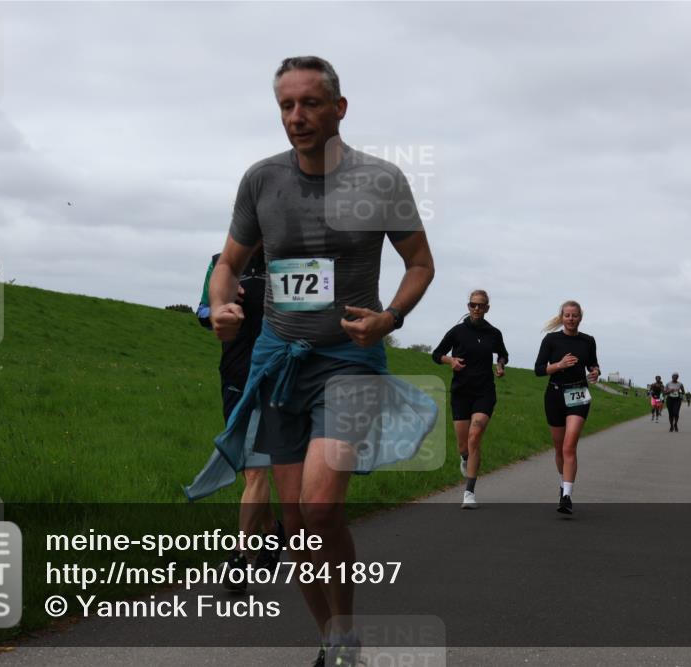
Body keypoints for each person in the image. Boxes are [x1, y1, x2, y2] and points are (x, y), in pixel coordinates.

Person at [189, 56, 436, 667]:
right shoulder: (260, 180)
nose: (296, 117)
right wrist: (221, 305)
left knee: (322, 507)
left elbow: (421, 262)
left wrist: (391, 317)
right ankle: (335, 638)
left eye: (310, 103)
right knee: (299, 522)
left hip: (348, 359)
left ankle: (346, 628)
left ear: (339, 108)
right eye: (286, 106)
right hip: (278, 359)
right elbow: (227, 262)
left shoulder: (379, 179)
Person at [197, 248, 285, 591]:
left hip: (276, 378)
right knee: (250, 468)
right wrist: (220, 306)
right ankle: (273, 532)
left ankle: (240, 557)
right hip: (234, 377)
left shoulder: (290, 261)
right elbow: (203, 312)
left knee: (255, 469)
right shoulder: (222, 262)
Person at [431, 289, 508, 509]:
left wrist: (500, 365)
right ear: (468, 306)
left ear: (487, 308)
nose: (476, 308)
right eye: (473, 304)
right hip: (461, 392)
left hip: (484, 391)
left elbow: (503, 353)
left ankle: (469, 492)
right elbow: (436, 354)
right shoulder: (457, 331)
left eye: (481, 305)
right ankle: (464, 457)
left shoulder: (494, 333)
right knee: (463, 445)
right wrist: (450, 361)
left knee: (475, 436)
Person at [534, 300, 600, 515]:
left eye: (575, 315)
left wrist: (595, 372)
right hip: (554, 394)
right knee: (559, 447)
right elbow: (538, 370)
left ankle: (567, 496)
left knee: (569, 446)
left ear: (581, 317)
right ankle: (564, 483)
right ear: (562, 317)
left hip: (578, 394)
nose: (571, 319)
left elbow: (593, 364)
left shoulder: (588, 341)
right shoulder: (551, 340)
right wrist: (559, 365)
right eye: (567, 315)